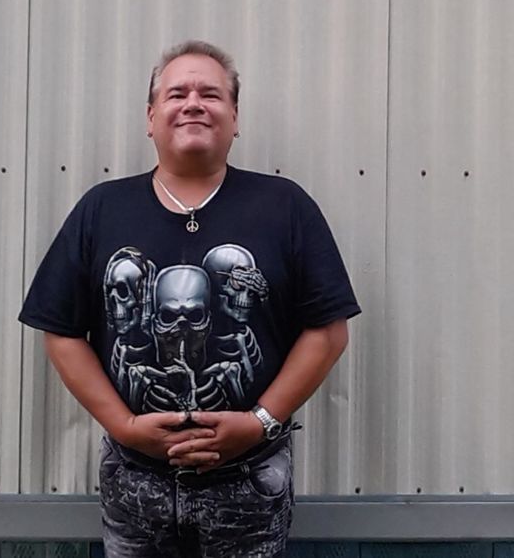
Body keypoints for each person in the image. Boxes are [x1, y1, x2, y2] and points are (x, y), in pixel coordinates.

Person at [19, 40, 361, 558]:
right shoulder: (103, 209)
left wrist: (258, 423)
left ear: (235, 117)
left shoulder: (284, 206)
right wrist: (125, 427)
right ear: (151, 117)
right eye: (177, 93)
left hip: (250, 479)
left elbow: (328, 332)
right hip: (134, 477)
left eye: (211, 94)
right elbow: (61, 331)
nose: (194, 104)